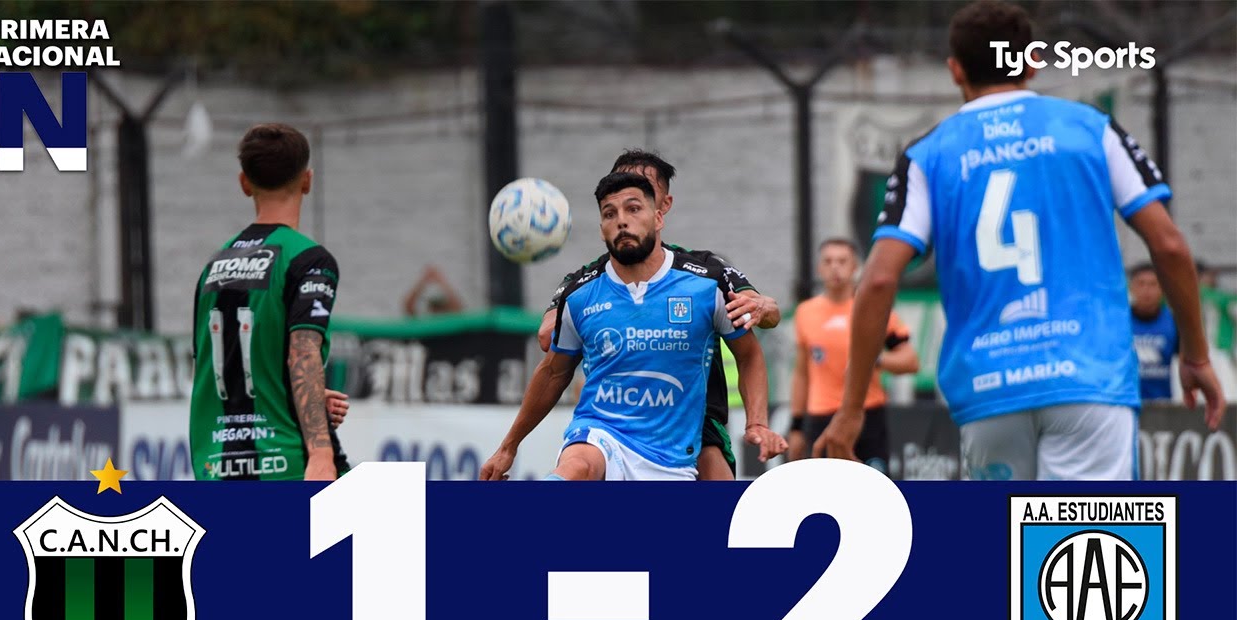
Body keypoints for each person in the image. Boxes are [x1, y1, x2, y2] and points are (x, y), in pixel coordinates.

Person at [814, 0, 1225, 480]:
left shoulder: (927, 154)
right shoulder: (1090, 128)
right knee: (1085, 531)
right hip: (1087, 382)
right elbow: (1169, 245)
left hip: (989, 390)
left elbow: (879, 279)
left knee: (1003, 532)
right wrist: (1195, 354)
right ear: (1031, 61)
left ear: (955, 70)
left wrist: (851, 409)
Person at [479, 172, 786, 481]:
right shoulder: (580, 295)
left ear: (659, 217)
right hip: (601, 431)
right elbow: (553, 372)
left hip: (672, 456)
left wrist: (757, 423)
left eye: (633, 209)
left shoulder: (705, 285)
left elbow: (749, 354)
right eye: (609, 214)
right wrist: (508, 447)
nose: (621, 221)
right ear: (602, 230)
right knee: (578, 466)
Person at [190, 123, 350, 481]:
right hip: (285, 463)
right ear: (307, 181)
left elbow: (215, 365)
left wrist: (298, 395)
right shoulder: (308, 259)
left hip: (215, 466)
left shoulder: (213, 267)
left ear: (244, 183)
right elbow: (302, 352)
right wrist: (321, 454)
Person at [787, 239, 918, 474]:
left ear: (855, 267)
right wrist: (796, 426)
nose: (835, 268)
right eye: (828, 261)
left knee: (873, 487)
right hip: (822, 417)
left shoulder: (873, 310)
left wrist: (873, 360)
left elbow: (910, 361)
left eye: (842, 261)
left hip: (867, 416)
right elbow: (801, 373)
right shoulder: (805, 313)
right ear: (819, 268)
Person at [1128, 262, 1178, 402]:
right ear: (1131, 288)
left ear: (1162, 288)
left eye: (1152, 284)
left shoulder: (1175, 321)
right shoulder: (1119, 322)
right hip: (1128, 402)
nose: (1146, 290)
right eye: (1141, 284)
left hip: (1164, 403)